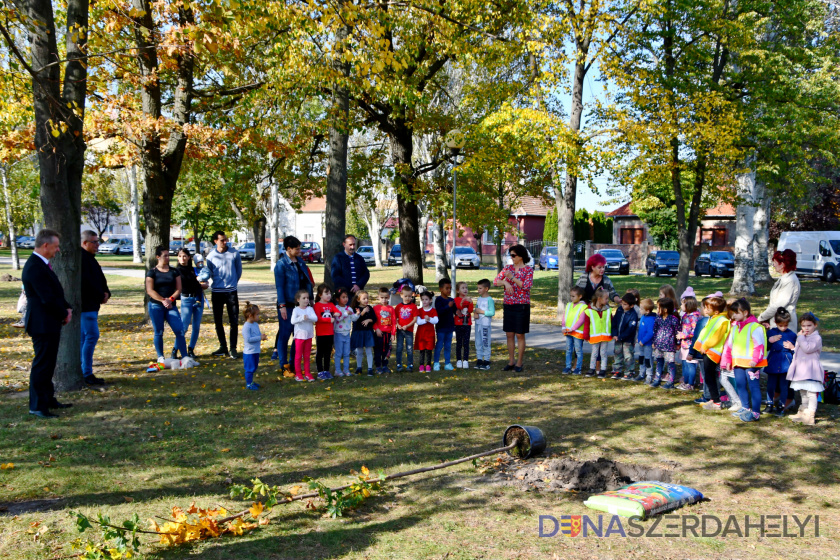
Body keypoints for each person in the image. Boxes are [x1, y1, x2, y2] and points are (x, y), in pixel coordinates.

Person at [22, 229, 72, 418]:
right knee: (42, 364)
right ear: (45, 245)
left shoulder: (43, 265)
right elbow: (47, 298)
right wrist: (64, 313)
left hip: (49, 321)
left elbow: (56, 292)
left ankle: (48, 399)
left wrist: (67, 308)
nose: (57, 250)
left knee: (49, 363)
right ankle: (37, 405)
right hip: (42, 323)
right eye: (55, 246)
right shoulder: (35, 267)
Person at [720, 298, 767, 422]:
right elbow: (730, 346)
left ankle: (756, 412)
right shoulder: (735, 328)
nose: (733, 315)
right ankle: (745, 407)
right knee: (741, 385)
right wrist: (728, 360)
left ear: (745, 313)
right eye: (733, 312)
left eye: (737, 312)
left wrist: (755, 360)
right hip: (738, 363)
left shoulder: (755, 327)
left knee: (753, 387)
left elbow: (759, 346)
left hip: (752, 364)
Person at [274, 235, 315, 375]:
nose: (299, 251)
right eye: (296, 249)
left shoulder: (301, 262)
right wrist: (282, 306)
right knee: (285, 334)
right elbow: (279, 287)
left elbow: (307, 282)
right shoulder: (281, 265)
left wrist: (311, 299)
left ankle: (292, 363)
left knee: (297, 335)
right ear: (288, 249)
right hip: (287, 305)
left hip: (301, 305)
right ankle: (283, 364)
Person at [145, 246, 190, 364]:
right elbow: (150, 290)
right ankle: (160, 356)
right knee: (159, 331)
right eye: (164, 255)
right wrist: (162, 300)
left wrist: (170, 299)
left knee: (179, 330)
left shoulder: (174, 271)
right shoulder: (152, 272)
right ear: (158, 257)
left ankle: (184, 356)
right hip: (156, 306)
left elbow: (179, 289)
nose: (167, 258)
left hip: (171, 306)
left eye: (168, 255)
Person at [494, 244, 534, 372]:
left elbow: (526, 286)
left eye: (513, 255)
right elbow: (495, 281)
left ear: (521, 256)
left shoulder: (528, 270)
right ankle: (511, 361)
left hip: (521, 306)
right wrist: (505, 282)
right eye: (510, 255)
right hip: (508, 304)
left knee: (520, 335)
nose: (511, 258)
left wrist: (511, 278)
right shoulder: (507, 268)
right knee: (509, 334)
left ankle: (519, 363)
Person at [205, 231, 243, 359]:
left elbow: (238, 271)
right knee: (218, 321)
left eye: (226, 239)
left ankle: (233, 348)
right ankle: (223, 346)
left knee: (233, 320)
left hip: (231, 291)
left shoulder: (234, 253)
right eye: (222, 240)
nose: (225, 242)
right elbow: (208, 273)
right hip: (217, 292)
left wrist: (232, 283)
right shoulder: (210, 256)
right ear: (215, 241)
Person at [80, 230, 110, 386]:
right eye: (94, 242)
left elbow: (100, 279)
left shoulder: (91, 259)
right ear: (85, 243)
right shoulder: (82, 260)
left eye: (98, 242)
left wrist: (106, 292)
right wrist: (100, 295)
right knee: (91, 336)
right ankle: (86, 372)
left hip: (92, 305)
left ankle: (84, 370)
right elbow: (87, 283)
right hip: (86, 306)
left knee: (86, 338)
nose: (98, 245)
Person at [786, 312, 823, 426]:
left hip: (811, 369)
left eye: (809, 325)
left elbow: (808, 348)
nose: (806, 328)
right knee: (803, 391)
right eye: (803, 326)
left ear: (815, 325)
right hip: (801, 369)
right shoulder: (802, 337)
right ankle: (802, 412)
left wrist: (800, 337)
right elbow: (799, 350)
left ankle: (810, 415)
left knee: (811, 393)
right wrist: (794, 347)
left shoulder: (816, 338)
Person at [695, 296, 732, 411]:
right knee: (708, 377)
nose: (705, 310)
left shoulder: (722, 321)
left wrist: (705, 346)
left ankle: (716, 401)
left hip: (712, 353)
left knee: (710, 377)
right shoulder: (714, 318)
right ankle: (713, 398)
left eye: (707, 308)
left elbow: (716, 337)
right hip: (707, 352)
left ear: (716, 310)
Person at [174, 248, 208, 360]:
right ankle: (175, 350)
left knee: (196, 326)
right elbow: (186, 284)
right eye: (180, 256)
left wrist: (203, 283)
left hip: (198, 299)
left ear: (189, 257)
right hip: (186, 299)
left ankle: (191, 349)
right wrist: (199, 283)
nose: (182, 258)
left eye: (184, 256)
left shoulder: (194, 270)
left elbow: (205, 282)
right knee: (183, 327)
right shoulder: (177, 271)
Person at [765, 307, 797, 416]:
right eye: (780, 325)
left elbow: (796, 351)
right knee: (770, 385)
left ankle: (781, 406)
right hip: (773, 362)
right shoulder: (771, 333)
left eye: (785, 325)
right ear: (775, 323)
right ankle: (769, 404)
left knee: (784, 386)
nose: (783, 328)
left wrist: (792, 347)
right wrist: (770, 341)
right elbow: (766, 347)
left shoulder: (792, 334)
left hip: (785, 364)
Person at [757, 249, 800, 328]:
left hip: (784, 325)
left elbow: (779, 304)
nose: (774, 265)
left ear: (782, 264)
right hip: (778, 322)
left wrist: (761, 318)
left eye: (775, 262)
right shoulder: (784, 278)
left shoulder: (790, 280)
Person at [652, 297, 680, 388]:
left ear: (665, 309)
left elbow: (677, 332)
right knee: (659, 362)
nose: (657, 310)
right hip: (659, 345)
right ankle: (657, 379)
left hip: (669, 346)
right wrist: (654, 341)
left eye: (658, 307)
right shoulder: (658, 319)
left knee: (670, 364)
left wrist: (678, 343)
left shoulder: (674, 320)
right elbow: (655, 330)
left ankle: (670, 381)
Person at [314, 284, 340, 380]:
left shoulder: (331, 305)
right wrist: (329, 320)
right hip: (321, 334)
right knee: (320, 353)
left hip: (330, 333)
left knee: (328, 353)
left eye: (330, 293)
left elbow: (338, 312)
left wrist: (336, 313)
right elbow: (318, 318)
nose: (329, 295)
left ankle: (326, 370)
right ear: (320, 295)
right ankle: (320, 371)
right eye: (326, 293)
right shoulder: (317, 305)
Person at [584, 288, 612, 378]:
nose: (607, 300)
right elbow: (587, 324)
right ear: (599, 299)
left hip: (605, 336)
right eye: (606, 298)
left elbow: (612, 321)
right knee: (594, 353)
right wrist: (586, 334)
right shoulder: (589, 311)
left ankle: (602, 369)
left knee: (603, 353)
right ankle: (592, 369)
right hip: (595, 336)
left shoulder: (608, 310)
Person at [291, 289, 317, 382]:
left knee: (307, 355)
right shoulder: (296, 310)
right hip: (299, 336)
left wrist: (308, 317)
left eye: (307, 298)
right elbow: (293, 321)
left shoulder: (310, 309)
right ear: (298, 300)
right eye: (304, 298)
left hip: (308, 336)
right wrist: (302, 318)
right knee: (298, 356)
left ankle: (307, 373)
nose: (306, 300)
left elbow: (315, 318)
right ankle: (298, 373)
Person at [676, 294, 701, 391]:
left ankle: (691, 383)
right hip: (684, 344)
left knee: (691, 365)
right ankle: (685, 382)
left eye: (682, 305)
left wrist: (683, 335)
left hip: (691, 345)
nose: (681, 306)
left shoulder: (694, 317)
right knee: (685, 364)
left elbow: (694, 331)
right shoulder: (685, 315)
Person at [611, 293, 638, 380]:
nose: (622, 306)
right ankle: (617, 370)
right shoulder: (619, 310)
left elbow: (631, 329)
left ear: (631, 305)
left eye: (625, 304)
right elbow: (614, 322)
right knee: (617, 354)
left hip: (627, 340)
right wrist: (614, 334)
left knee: (628, 356)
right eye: (622, 303)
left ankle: (629, 372)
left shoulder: (633, 315)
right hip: (617, 338)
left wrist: (621, 337)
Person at [561, 286, 587, 375]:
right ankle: (568, 366)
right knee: (568, 349)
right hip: (568, 331)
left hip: (577, 333)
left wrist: (573, 328)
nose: (571, 298)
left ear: (580, 296)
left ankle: (578, 368)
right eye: (570, 296)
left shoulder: (583, 307)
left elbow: (581, 319)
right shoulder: (569, 305)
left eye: (573, 296)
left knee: (578, 350)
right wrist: (563, 326)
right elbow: (565, 316)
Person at [242, 302, 267, 390]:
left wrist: (262, 337)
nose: (258, 316)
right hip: (249, 352)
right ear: (250, 316)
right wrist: (259, 337)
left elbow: (257, 335)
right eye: (257, 314)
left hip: (255, 350)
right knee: (250, 368)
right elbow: (248, 339)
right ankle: (249, 383)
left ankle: (251, 381)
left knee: (254, 367)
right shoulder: (246, 327)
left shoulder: (255, 324)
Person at [333, 287, 357, 377]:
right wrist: (346, 313)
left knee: (347, 353)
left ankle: (346, 369)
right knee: (338, 353)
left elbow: (353, 318)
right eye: (343, 297)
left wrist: (358, 314)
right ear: (337, 299)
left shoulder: (349, 308)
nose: (345, 299)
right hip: (338, 333)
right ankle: (337, 370)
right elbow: (338, 318)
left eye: (346, 297)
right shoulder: (336, 308)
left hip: (347, 333)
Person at [351, 290, 376, 376]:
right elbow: (355, 320)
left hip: (367, 332)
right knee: (359, 351)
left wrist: (369, 320)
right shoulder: (355, 309)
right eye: (364, 298)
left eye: (367, 298)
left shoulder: (370, 308)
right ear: (358, 300)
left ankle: (370, 368)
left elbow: (374, 319)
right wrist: (362, 312)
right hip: (359, 332)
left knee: (369, 350)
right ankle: (359, 368)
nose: (366, 300)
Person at [394, 285, 418, 372]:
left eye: (409, 296)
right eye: (405, 296)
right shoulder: (398, 306)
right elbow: (395, 318)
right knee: (399, 347)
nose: (407, 298)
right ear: (401, 295)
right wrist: (398, 325)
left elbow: (415, 319)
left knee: (409, 348)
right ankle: (399, 364)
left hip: (409, 331)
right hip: (400, 331)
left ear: (412, 295)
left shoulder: (413, 307)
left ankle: (410, 364)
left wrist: (407, 325)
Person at [434, 278, 456, 371]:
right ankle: (436, 363)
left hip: (450, 327)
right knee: (439, 345)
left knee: (448, 346)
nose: (449, 290)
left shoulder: (451, 300)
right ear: (441, 289)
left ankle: (447, 363)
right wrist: (448, 306)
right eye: (447, 288)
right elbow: (439, 311)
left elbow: (455, 311)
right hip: (441, 328)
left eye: (450, 288)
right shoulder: (438, 300)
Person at [473, 279, 495, 371]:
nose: (478, 290)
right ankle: (479, 359)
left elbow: (492, 312)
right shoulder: (479, 299)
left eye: (480, 288)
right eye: (478, 288)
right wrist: (475, 313)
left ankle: (486, 360)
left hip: (485, 325)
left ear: (486, 289)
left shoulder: (489, 300)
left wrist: (481, 312)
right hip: (478, 324)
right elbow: (476, 308)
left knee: (485, 342)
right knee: (478, 342)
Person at [373, 287, 396, 374]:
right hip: (379, 334)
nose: (384, 299)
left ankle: (385, 365)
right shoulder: (375, 308)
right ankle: (378, 366)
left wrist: (393, 333)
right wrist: (377, 329)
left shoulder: (391, 309)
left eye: (386, 297)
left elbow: (394, 322)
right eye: (382, 297)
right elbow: (373, 321)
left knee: (387, 351)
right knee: (378, 350)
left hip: (388, 334)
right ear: (378, 297)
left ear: (389, 297)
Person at [415, 290, 439, 372]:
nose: (424, 301)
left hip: (430, 334)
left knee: (429, 350)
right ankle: (421, 365)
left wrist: (429, 319)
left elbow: (436, 320)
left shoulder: (433, 310)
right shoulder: (419, 310)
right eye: (423, 299)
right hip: (421, 334)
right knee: (422, 350)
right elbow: (418, 322)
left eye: (426, 299)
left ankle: (428, 365)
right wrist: (426, 320)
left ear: (430, 300)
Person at [454, 281, 474, 369]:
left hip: (467, 324)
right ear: (458, 291)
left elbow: (470, 310)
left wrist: (471, 303)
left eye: (466, 288)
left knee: (466, 343)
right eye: (463, 288)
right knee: (459, 343)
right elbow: (459, 307)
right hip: (458, 324)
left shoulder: (469, 299)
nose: (465, 289)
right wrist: (463, 301)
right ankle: (459, 360)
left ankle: (465, 360)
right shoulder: (455, 300)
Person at [636, 299, 656, 382]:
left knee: (648, 359)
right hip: (641, 343)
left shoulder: (651, 319)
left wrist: (643, 341)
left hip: (647, 344)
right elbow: (641, 329)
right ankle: (641, 373)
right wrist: (639, 338)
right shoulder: (643, 317)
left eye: (641, 309)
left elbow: (650, 333)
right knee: (641, 358)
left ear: (647, 311)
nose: (639, 310)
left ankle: (649, 375)